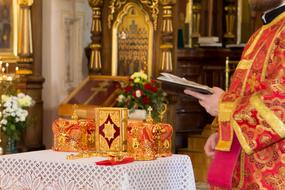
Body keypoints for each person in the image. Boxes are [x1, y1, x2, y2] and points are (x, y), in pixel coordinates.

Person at [184, 0, 285, 189]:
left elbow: (280, 103)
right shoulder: (258, 36)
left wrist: (223, 105)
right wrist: (225, 132)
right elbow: (243, 93)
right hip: (244, 166)